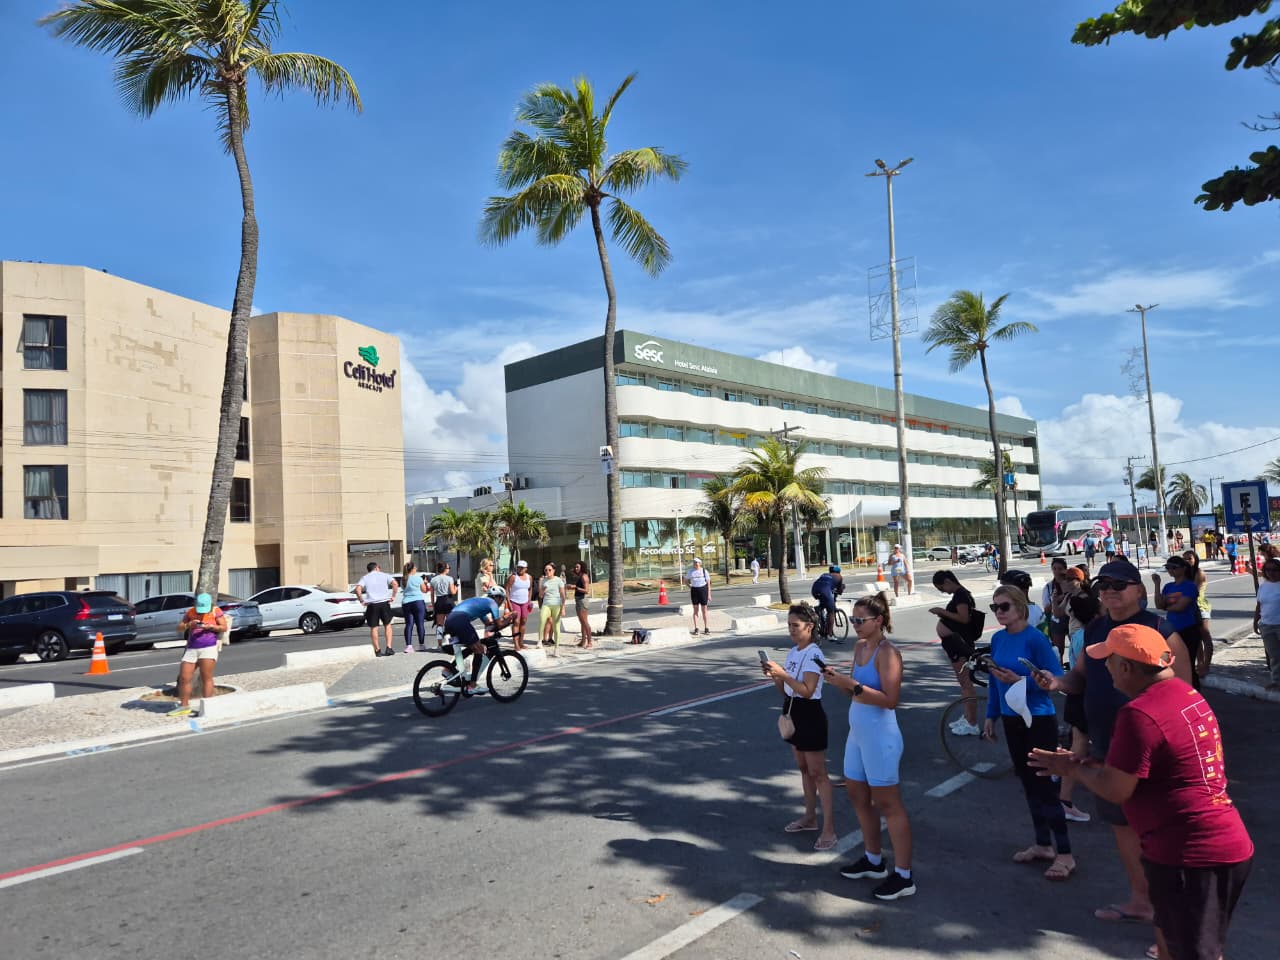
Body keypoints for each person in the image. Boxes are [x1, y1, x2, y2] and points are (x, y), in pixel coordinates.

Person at [1029, 624, 1254, 960]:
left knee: (1195, 953)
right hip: (1210, 845)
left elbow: (1115, 789)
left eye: (1108, 661)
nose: (1103, 669)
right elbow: (1161, 762)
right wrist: (1092, 763)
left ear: (1126, 667)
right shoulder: (1185, 693)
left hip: (1191, 854)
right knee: (1169, 942)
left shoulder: (1140, 714)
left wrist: (1072, 769)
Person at [1033, 558, 1192, 929]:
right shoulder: (1096, 629)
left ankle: (1173, 927)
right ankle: (1141, 901)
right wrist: (1057, 683)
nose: (1109, 591)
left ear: (1138, 590)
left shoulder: (1159, 627)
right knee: (1123, 827)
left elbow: (1183, 691)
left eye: (1119, 585)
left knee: (1162, 835)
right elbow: (1082, 677)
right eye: (1103, 585)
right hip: (1109, 742)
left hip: (1155, 747)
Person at [824, 592, 916, 900]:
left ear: (878, 621)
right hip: (858, 733)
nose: (855, 625)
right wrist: (840, 683)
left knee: (888, 803)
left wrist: (850, 685)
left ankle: (904, 875)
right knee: (857, 795)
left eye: (860, 621)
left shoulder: (887, 652)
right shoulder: (860, 646)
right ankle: (874, 860)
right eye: (852, 620)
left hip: (881, 736)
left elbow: (890, 700)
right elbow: (856, 693)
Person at [982, 584, 1074, 881]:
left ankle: (1065, 854)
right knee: (1027, 783)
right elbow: (996, 682)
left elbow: (1054, 678)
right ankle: (1042, 844)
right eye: (994, 607)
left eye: (1004, 606)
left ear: (1020, 607)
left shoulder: (1035, 639)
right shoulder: (997, 639)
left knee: (1045, 786)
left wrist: (1020, 679)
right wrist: (990, 716)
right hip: (1011, 718)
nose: (998, 612)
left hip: (1037, 717)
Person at [762, 603, 838, 853]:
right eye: (789, 625)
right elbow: (787, 691)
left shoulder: (813, 653)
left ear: (810, 627)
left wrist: (783, 674)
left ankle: (829, 828)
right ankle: (809, 817)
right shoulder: (794, 652)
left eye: (796, 625)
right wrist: (776, 676)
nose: (791, 630)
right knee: (804, 769)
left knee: (819, 773)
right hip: (793, 711)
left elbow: (806, 691)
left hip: (810, 714)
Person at [1058, 589, 1100, 824]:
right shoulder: (1091, 635)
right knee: (1089, 745)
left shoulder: (1076, 635)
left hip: (1076, 694)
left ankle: (1064, 798)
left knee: (1079, 744)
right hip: (1089, 694)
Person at [929, 569, 982, 735]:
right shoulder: (959, 595)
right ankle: (967, 716)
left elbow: (963, 618)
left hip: (959, 644)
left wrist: (941, 611)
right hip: (953, 644)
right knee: (963, 683)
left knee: (966, 683)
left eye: (941, 588)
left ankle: (972, 722)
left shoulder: (961, 595)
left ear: (947, 582)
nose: (942, 591)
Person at [442, 586, 517, 695]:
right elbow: (499, 624)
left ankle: (448, 669)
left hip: (450, 621)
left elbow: (488, 625)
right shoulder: (492, 603)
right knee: (479, 649)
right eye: (503, 600)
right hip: (460, 620)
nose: (501, 603)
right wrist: (510, 618)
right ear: (499, 598)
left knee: (472, 647)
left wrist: (498, 624)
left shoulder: (482, 603)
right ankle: (472, 685)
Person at [168, 592, 229, 717]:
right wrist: (188, 625)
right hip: (192, 648)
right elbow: (179, 627)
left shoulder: (215, 611)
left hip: (208, 647)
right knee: (184, 677)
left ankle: (208, 706)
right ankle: (184, 706)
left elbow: (224, 627)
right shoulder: (191, 612)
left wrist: (211, 627)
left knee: (206, 677)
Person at [1152, 555, 1203, 688]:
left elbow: (1180, 607)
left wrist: (1166, 607)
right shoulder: (1169, 586)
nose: (1170, 570)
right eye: (1168, 568)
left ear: (1183, 569)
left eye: (1174, 568)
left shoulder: (1189, 586)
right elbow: (1159, 604)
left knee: (1188, 664)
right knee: (1173, 664)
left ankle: (1194, 691)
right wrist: (1157, 585)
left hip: (1188, 628)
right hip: (1173, 631)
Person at [355, 561, 398, 657]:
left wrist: (362, 600)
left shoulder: (365, 578)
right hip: (384, 603)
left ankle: (377, 650)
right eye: (379, 567)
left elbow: (358, 589)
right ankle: (389, 647)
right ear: (376, 568)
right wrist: (393, 596)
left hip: (372, 604)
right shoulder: (384, 575)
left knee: (374, 627)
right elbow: (395, 584)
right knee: (387, 625)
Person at [1254, 557, 1280, 691]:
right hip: (1267, 625)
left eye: (1275, 570)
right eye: (1268, 570)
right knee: (1274, 655)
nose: (1271, 573)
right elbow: (1259, 605)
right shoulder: (1263, 586)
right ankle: (1276, 681)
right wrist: (1255, 622)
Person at [810, 564, 845, 643]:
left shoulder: (824, 574)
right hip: (825, 591)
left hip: (814, 589)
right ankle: (830, 635)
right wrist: (841, 590)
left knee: (822, 603)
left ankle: (818, 612)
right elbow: (839, 590)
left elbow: (825, 583)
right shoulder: (839, 577)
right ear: (839, 571)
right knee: (831, 612)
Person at [505, 559, 535, 651]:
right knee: (516, 622)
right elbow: (507, 590)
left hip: (525, 602)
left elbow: (530, 589)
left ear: (526, 568)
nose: (520, 569)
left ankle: (521, 643)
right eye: (519, 567)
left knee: (524, 621)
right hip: (515, 601)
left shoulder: (529, 577)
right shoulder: (513, 577)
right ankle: (516, 644)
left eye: (522, 568)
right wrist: (509, 603)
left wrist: (529, 600)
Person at [400, 561, 429, 653]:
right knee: (420, 623)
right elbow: (424, 590)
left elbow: (404, 589)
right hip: (418, 602)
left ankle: (408, 646)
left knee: (409, 624)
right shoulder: (418, 578)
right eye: (415, 568)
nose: (416, 569)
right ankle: (421, 644)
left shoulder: (403, 579)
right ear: (412, 569)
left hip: (406, 603)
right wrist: (425, 583)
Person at [538, 562, 565, 654]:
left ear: (553, 571)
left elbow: (562, 595)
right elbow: (540, 596)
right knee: (542, 620)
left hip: (556, 604)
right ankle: (539, 641)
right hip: (546, 604)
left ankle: (557, 648)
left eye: (549, 570)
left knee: (556, 626)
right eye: (546, 570)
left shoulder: (558, 580)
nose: (547, 571)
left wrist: (563, 607)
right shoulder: (544, 581)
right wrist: (543, 589)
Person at [430, 561, 459, 633]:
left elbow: (432, 594)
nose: (449, 569)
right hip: (448, 600)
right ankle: (452, 639)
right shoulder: (449, 578)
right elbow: (453, 592)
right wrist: (456, 588)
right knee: (451, 622)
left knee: (439, 625)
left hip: (439, 601)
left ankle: (439, 642)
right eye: (448, 568)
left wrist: (434, 605)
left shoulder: (433, 580)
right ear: (445, 569)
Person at [571, 561, 593, 649]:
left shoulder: (584, 577)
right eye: (575, 567)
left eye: (577, 567)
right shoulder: (580, 576)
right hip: (578, 600)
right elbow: (573, 572)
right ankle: (583, 641)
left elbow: (587, 590)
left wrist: (575, 587)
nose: (575, 568)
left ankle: (590, 642)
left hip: (582, 601)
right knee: (582, 622)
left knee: (585, 622)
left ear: (582, 567)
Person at [688, 556, 711, 635]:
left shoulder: (704, 571)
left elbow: (708, 584)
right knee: (695, 610)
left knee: (704, 610)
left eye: (697, 562)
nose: (696, 564)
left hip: (703, 590)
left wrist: (709, 594)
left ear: (700, 563)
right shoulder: (690, 571)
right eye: (694, 562)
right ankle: (696, 628)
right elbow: (685, 580)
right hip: (694, 590)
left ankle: (706, 627)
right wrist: (690, 586)